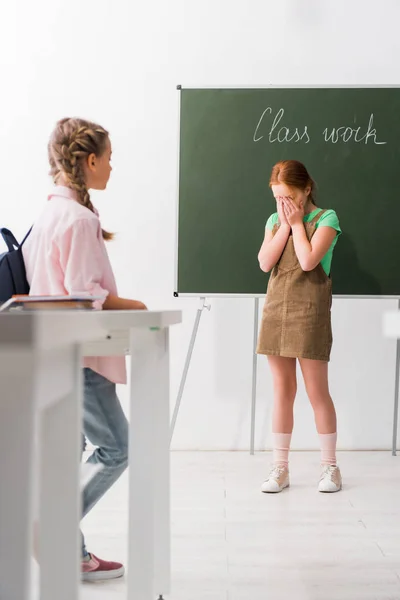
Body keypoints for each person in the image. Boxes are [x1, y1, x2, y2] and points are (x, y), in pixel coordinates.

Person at [23, 117, 146, 581]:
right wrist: (130, 304)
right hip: (79, 355)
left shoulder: (50, 213)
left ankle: (70, 553)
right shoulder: (76, 218)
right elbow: (82, 292)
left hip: (53, 352)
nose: (112, 166)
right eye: (109, 158)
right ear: (89, 160)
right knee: (118, 447)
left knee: (67, 449)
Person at [257, 160, 342, 494]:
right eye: (278, 198)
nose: (284, 205)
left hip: (310, 312)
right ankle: (280, 468)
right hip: (277, 310)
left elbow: (308, 261)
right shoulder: (275, 220)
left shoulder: (327, 219)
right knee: (282, 390)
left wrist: (295, 224)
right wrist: (284, 223)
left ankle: (329, 467)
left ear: (307, 189)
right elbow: (265, 262)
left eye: (289, 197)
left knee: (316, 391)